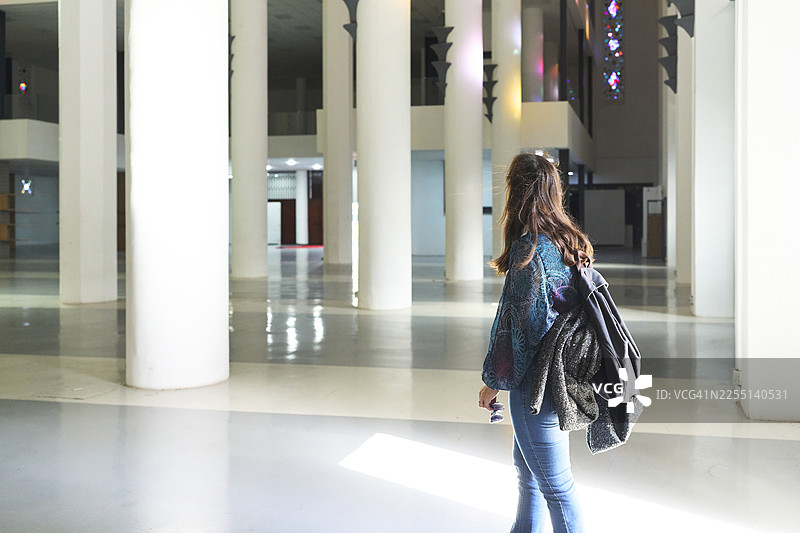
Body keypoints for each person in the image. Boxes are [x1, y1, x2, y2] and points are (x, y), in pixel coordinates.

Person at [478, 152, 593, 533]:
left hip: (535, 382)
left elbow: (520, 329)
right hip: (562, 373)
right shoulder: (570, 242)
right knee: (528, 474)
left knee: (556, 486)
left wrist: (494, 380)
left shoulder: (528, 250)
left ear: (516, 193)